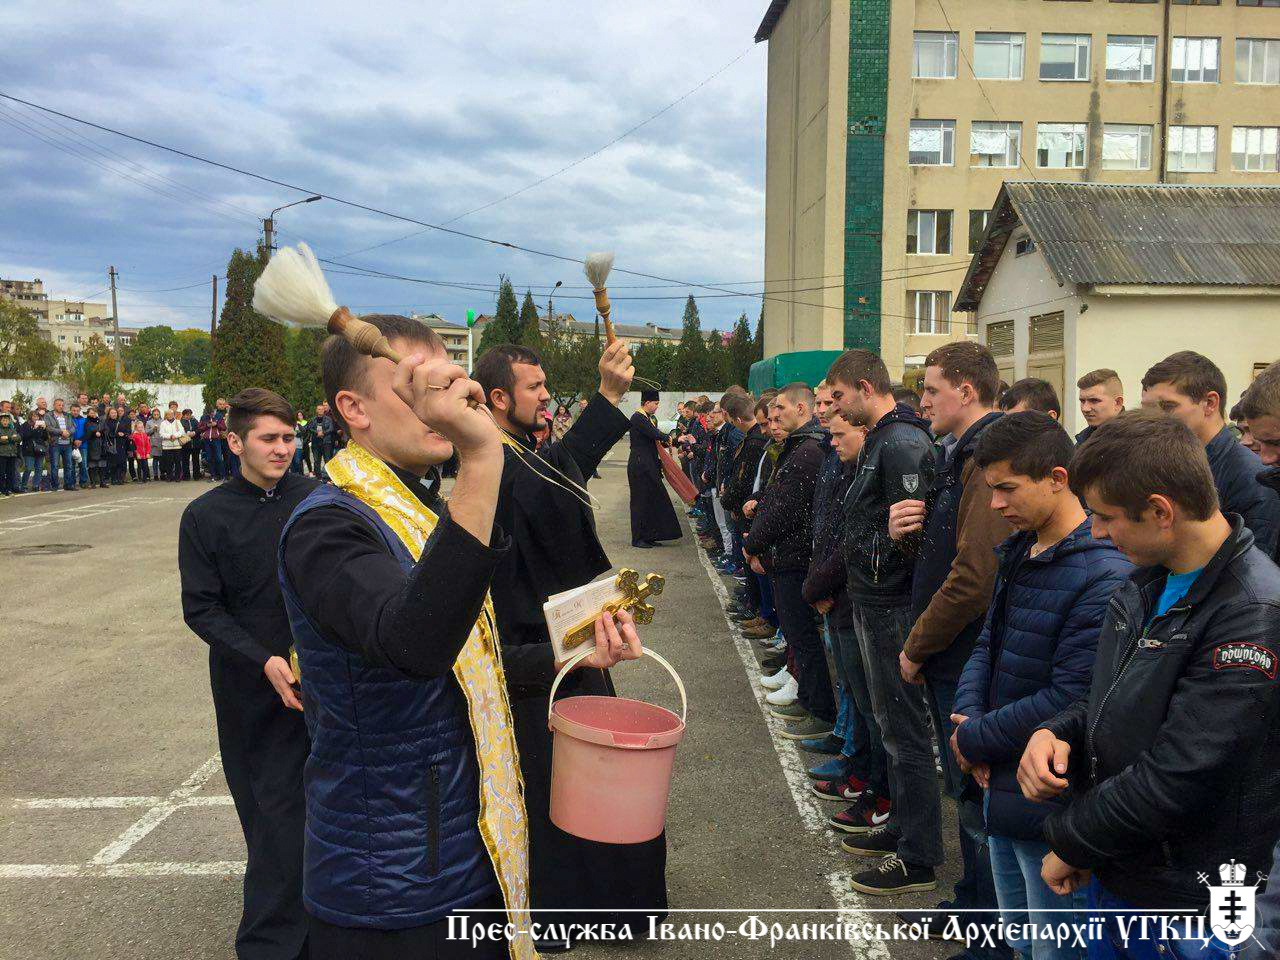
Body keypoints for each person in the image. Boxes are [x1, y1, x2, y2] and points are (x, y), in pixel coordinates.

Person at [280, 317, 641, 959]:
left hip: (467, 851)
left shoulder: (418, 510)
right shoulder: (326, 525)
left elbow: (472, 670)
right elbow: (415, 645)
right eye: (413, 385)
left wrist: (573, 651)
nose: (439, 403)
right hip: (395, 886)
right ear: (353, 409)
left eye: (445, 382)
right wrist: (480, 458)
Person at [1018, 411, 1280, 960]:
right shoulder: (1146, 581)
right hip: (1128, 870)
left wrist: (1072, 841)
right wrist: (1057, 730)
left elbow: (1181, 772)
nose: (1096, 532)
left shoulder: (1251, 614)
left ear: (1161, 511)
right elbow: (1119, 694)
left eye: (1105, 517)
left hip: (1189, 905)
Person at [473, 339, 668, 947]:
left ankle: (603, 905)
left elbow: (558, 476)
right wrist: (606, 396)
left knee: (593, 778)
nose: (545, 396)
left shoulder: (520, 454)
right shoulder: (491, 463)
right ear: (498, 398)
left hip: (566, 640)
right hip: (528, 652)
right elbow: (559, 476)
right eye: (534, 387)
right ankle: (566, 912)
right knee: (552, 786)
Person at [951, 413, 1131, 960]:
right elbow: (988, 643)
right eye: (991, 489)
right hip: (1001, 783)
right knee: (1022, 942)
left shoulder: (1102, 574)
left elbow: (1072, 695)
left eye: (1007, 488)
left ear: (1057, 478)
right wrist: (968, 719)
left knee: (1056, 948)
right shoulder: (1020, 550)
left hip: (1047, 800)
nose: (995, 504)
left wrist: (974, 738)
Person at [180, 389, 320, 960]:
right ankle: (271, 943)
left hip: (321, 683)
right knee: (270, 819)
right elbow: (201, 608)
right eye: (269, 439)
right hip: (249, 691)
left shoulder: (318, 498)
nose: (282, 449)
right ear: (235, 442)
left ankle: (324, 927)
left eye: (289, 438)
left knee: (322, 811)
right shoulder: (205, 516)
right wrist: (262, 659)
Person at [890, 343, 1012, 951]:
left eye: (932, 389)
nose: (923, 401)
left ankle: (989, 926)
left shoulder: (987, 456)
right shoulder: (958, 454)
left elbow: (974, 576)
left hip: (965, 653)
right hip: (956, 651)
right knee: (965, 791)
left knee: (975, 792)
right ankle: (972, 903)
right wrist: (907, 533)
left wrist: (917, 644)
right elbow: (948, 555)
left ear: (966, 390)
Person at [825, 349, 939, 892]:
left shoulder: (901, 442)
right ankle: (901, 829)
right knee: (889, 725)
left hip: (892, 604)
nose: (834, 409)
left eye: (839, 396)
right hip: (873, 599)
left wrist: (880, 551)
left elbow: (913, 536)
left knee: (905, 731)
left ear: (865, 388)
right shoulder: (882, 440)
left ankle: (918, 855)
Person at [743, 383, 834, 743]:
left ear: (800, 409)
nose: (774, 415)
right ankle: (808, 699)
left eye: (780, 408)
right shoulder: (798, 447)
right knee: (797, 634)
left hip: (796, 558)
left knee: (803, 636)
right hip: (788, 555)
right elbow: (774, 499)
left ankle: (820, 710)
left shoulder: (807, 452)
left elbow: (784, 509)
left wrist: (753, 544)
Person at [1141, 350, 1280, 557]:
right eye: (1147, 409)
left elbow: (1254, 566)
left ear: (1210, 403)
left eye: (1167, 406)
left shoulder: (1250, 478)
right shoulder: (1166, 466)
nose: (1154, 418)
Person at [626, 389, 682, 548]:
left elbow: (655, 438)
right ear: (647, 402)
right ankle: (638, 538)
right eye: (656, 403)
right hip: (640, 465)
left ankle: (649, 535)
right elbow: (655, 434)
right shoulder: (638, 418)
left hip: (648, 464)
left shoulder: (647, 418)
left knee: (651, 500)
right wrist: (674, 439)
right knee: (640, 502)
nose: (657, 406)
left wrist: (672, 440)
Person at [1074, 369, 1124, 445]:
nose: (1085, 408)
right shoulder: (1084, 438)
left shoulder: (1133, 442)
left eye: (1094, 400)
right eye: (1082, 401)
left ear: (1117, 403)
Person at [44, 397, 76, 491]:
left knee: (68, 465)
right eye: (59, 405)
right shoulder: (48, 415)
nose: (61, 406)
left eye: (62, 405)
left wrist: (68, 432)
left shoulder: (67, 415)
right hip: (55, 444)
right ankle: (54, 485)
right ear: (54, 405)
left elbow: (73, 427)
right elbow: (48, 427)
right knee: (55, 465)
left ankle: (68, 484)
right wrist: (61, 432)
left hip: (67, 444)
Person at [19, 410, 48, 492]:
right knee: (28, 468)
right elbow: (24, 436)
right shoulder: (25, 425)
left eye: (37, 416)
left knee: (39, 468)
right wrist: (34, 429)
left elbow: (45, 438)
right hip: (29, 450)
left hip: (40, 449)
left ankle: (36, 485)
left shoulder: (40, 425)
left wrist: (44, 429)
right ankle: (24, 486)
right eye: (34, 416)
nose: (36, 418)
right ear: (30, 417)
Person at [82, 407, 107, 488]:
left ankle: (102, 482)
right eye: (91, 413)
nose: (93, 414)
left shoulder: (100, 421)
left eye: (94, 412)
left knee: (102, 464)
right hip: (92, 445)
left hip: (101, 445)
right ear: (88, 414)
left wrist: (101, 433)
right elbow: (87, 433)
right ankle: (93, 483)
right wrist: (94, 433)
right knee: (92, 465)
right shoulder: (87, 422)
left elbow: (105, 430)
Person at [160, 409, 184, 481]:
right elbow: (161, 434)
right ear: (166, 415)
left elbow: (181, 432)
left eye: (172, 414)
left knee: (177, 462)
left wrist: (175, 436)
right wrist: (170, 436)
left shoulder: (178, 422)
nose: (170, 415)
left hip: (177, 446)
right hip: (167, 447)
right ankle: (169, 477)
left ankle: (177, 477)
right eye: (168, 414)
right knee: (168, 463)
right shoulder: (163, 423)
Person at [0, 407, 19, 496]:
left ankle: (8, 490)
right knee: (1, 473)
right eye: (3, 420)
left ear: (9, 421)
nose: (5, 422)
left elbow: (18, 438)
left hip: (12, 454)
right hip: (2, 454)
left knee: (10, 473)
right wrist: (11, 438)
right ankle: (1, 490)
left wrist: (7, 438)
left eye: (7, 420)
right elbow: (1, 440)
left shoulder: (12, 429)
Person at [180, 408, 201, 480]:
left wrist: (194, 432)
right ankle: (186, 476)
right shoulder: (181, 422)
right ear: (183, 415)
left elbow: (199, 429)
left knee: (196, 460)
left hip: (195, 443)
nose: (188, 416)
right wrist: (187, 433)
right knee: (185, 460)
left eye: (189, 414)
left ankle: (196, 475)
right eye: (186, 415)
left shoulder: (194, 421)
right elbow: (180, 430)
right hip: (186, 444)